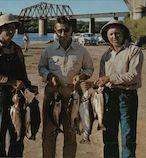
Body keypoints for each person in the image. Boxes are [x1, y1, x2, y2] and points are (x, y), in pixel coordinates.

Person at [0, 13, 37, 158]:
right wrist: (12, 82)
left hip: (18, 95)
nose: (11, 31)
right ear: (0, 30)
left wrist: (29, 86)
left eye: (13, 28)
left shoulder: (17, 49)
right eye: (7, 28)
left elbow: (23, 74)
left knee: (18, 135)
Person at [38, 16, 94, 158]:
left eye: (66, 30)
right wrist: (49, 76)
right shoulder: (48, 50)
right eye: (59, 31)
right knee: (49, 134)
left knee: (70, 134)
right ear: (55, 31)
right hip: (52, 95)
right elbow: (41, 68)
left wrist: (81, 77)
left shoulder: (81, 51)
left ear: (71, 30)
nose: (63, 34)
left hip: (73, 96)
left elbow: (89, 69)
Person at [96, 19, 144, 158]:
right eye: (111, 34)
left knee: (128, 135)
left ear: (123, 34)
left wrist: (109, 78)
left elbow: (133, 76)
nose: (114, 37)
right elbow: (102, 78)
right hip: (108, 97)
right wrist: (95, 84)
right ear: (107, 36)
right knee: (109, 136)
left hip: (127, 97)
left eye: (117, 33)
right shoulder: (105, 55)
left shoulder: (134, 50)